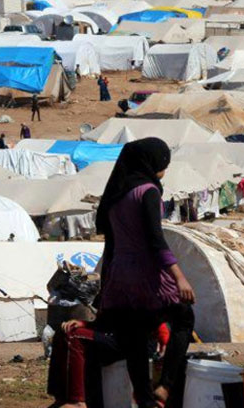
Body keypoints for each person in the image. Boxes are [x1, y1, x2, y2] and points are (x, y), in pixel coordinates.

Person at [95, 138, 196, 408]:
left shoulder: (117, 194)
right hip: (146, 274)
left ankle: (145, 399)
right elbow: (155, 239)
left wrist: (106, 289)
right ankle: (165, 386)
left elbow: (112, 244)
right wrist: (178, 276)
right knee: (184, 318)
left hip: (120, 276)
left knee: (135, 340)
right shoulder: (148, 191)